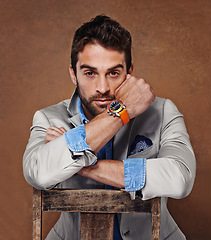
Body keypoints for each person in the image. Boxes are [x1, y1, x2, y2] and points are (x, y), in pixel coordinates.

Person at [23, 15, 196, 240]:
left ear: (129, 72)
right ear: (73, 74)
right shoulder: (49, 118)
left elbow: (180, 178)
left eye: (113, 73)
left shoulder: (163, 112)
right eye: (90, 73)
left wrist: (80, 163)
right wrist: (121, 113)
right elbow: (38, 173)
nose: (103, 88)